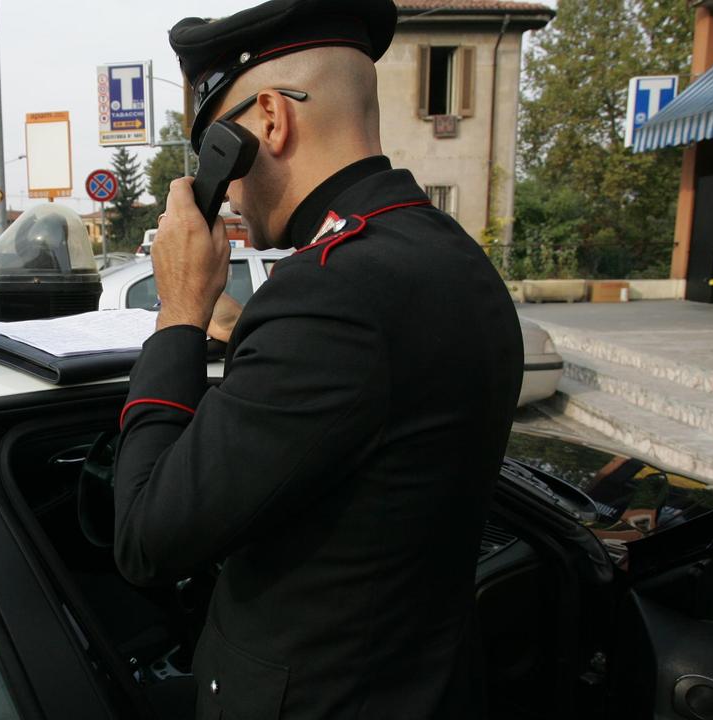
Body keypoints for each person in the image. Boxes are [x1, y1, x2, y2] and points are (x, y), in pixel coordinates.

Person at [112, 0, 524, 717]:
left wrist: (179, 313)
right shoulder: (448, 256)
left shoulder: (329, 295)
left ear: (271, 120)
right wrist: (239, 327)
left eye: (218, 152)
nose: (226, 190)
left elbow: (147, 538)